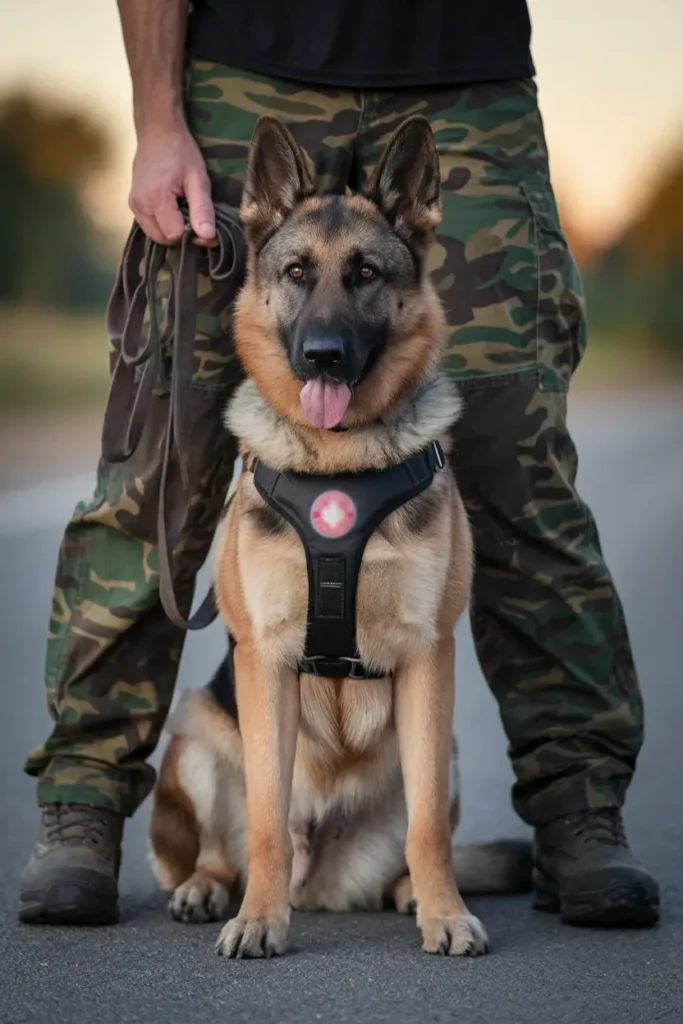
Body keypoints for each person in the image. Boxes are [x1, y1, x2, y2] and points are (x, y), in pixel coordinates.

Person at [19, 0, 659, 928]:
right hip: (247, 61)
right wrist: (159, 116)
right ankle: (83, 787)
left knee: (518, 461)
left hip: (462, 72)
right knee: (162, 456)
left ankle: (577, 805)